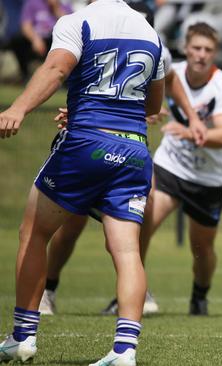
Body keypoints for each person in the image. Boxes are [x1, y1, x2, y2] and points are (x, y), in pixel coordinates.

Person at [0, 0, 164, 364]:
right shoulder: (150, 33)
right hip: (135, 149)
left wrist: (18, 108)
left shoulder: (79, 21)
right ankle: (124, 351)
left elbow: (57, 68)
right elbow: (153, 105)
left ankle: (22, 337)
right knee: (127, 251)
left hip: (88, 143)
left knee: (34, 231)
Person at [37, 1, 207, 317]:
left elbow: (170, 80)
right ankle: (50, 287)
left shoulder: (150, 40)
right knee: (72, 226)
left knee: (130, 228)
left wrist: (191, 117)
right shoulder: (105, 30)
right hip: (105, 141)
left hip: (115, 143)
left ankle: (132, 291)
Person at [103, 21, 222, 316]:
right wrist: (149, 112)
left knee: (202, 249)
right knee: (142, 221)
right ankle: (133, 293)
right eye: (196, 48)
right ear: (186, 49)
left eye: (208, 50)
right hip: (168, 167)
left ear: (214, 53)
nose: (201, 55)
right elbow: (136, 98)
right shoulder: (167, 71)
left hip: (206, 178)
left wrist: (189, 131)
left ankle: (199, 294)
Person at [16, 0, 72, 82]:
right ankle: (25, 75)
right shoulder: (32, 3)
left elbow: (70, 27)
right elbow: (26, 25)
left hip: (56, 40)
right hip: (37, 38)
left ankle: (62, 80)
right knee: (17, 41)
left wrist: (56, 8)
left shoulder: (65, 5)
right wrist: (35, 39)